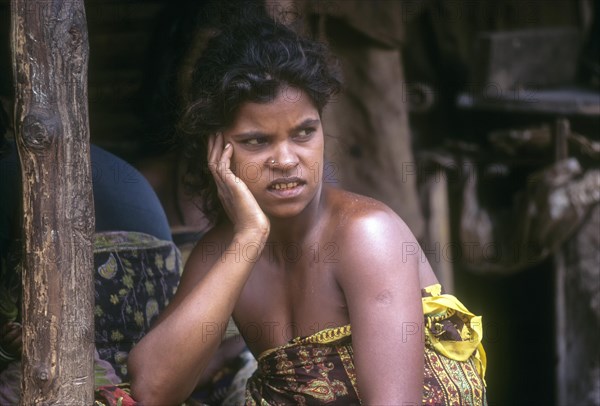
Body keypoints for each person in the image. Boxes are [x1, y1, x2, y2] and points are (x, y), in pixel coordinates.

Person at [128, 17, 486, 405]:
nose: (285, 160)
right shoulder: (222, 253)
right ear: (217, 151)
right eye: (256, 141)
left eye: (303, 133)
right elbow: (151, 390)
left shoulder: (368, 237)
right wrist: (248, 238)